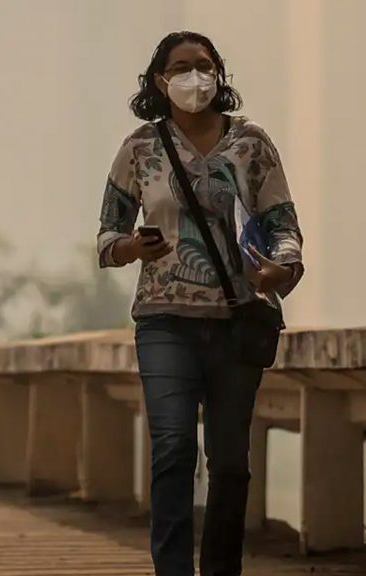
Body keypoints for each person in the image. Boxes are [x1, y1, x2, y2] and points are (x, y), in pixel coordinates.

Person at [97, 32, 304, 576]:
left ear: (220, 74)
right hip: (165, 320)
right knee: (172, 449)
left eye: (205, 65)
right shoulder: (139, 148)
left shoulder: (252, 145)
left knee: (232, 464)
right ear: (160, 81)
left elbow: (284, 225)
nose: (195, 77)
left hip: (237, 321)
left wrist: (283, 267)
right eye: (182, 67)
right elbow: (106, 236)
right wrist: (129, 247)